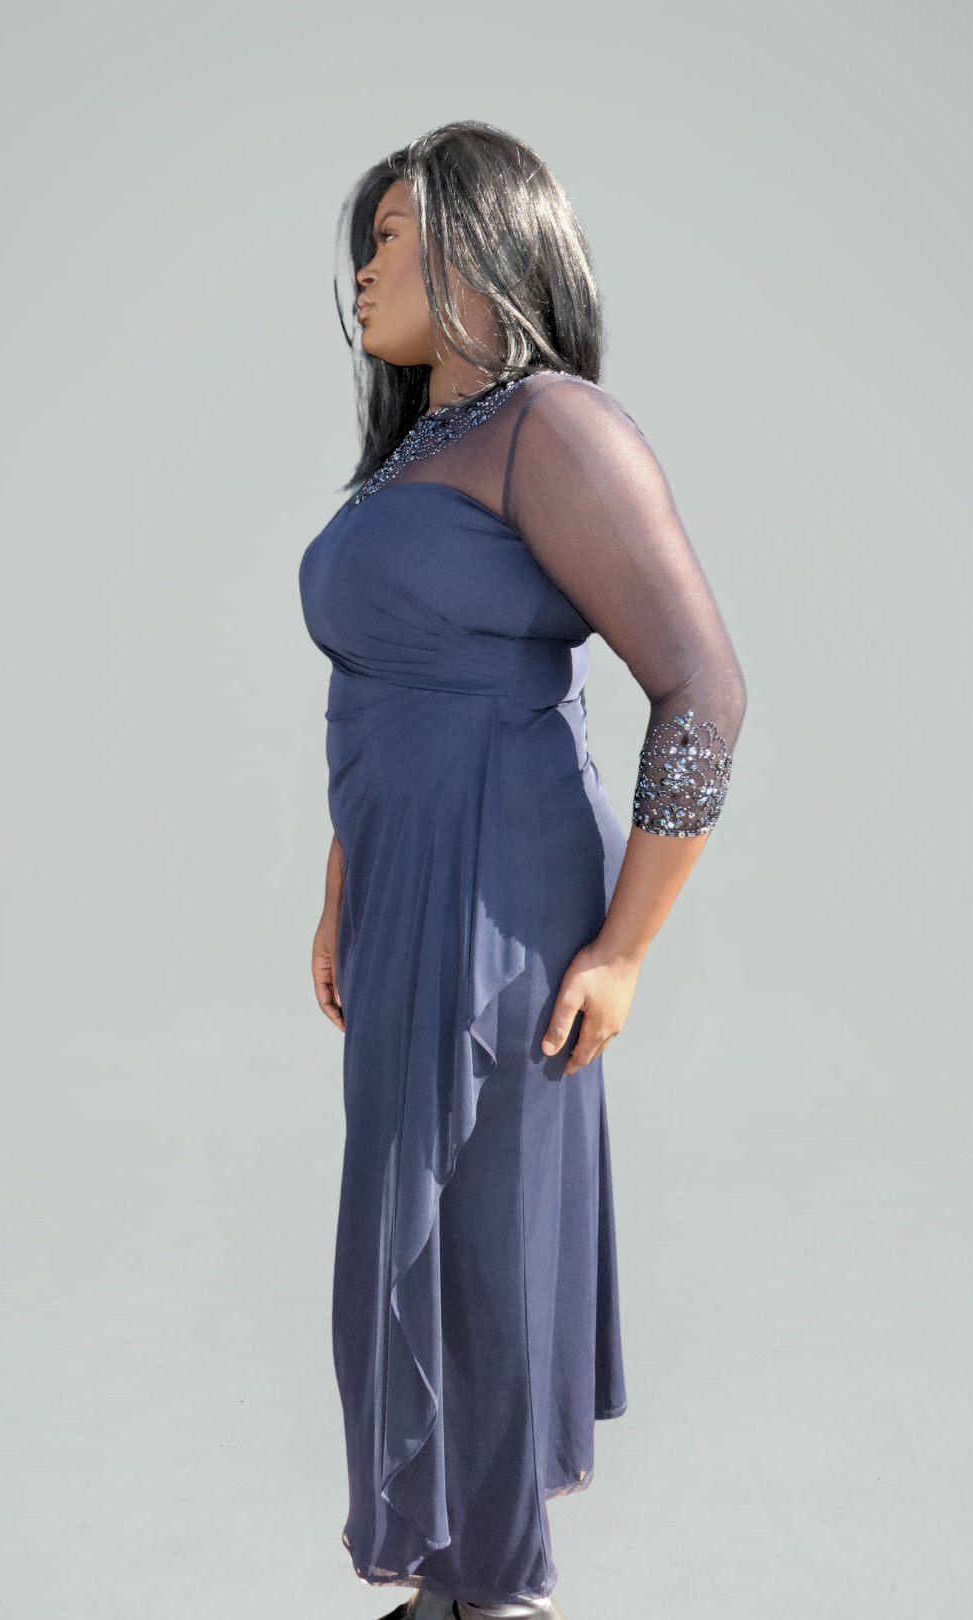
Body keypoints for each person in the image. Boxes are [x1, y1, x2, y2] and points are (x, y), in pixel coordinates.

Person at [298, 121, 746, 1620]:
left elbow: (703, 694)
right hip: (403, 877)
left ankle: (498, 1592)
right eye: (363, 243)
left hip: (506, 875)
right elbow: (391, 672)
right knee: (408, 1234)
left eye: (389, 236)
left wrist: (623, 950)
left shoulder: (556, 428)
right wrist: (346, 869)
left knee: (480, 1236)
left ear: (482, 242)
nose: (363, 270)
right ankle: (451, 1580)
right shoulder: (417, 453)